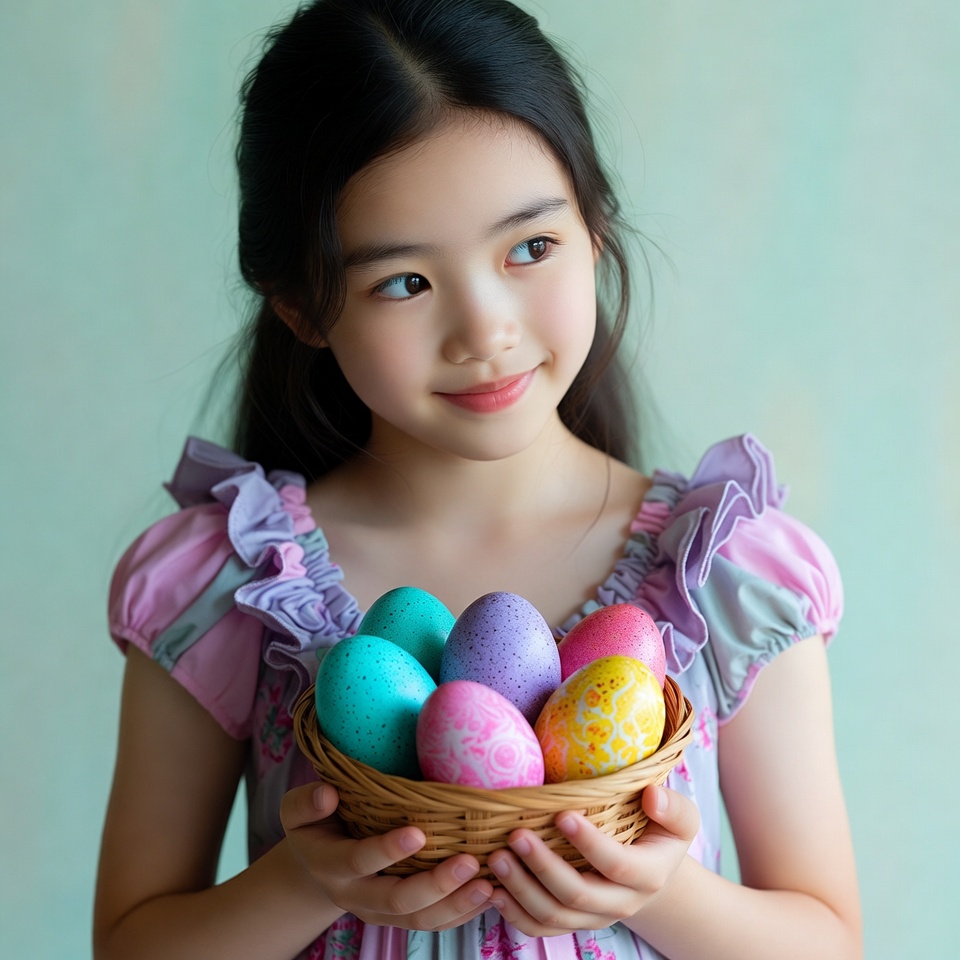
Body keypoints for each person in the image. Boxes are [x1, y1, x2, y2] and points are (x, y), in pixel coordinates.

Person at [93, 1, 862, 957]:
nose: (485, 330)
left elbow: (828, 937)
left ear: (595, 231)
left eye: (530, 247)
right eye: (404, 282)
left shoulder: (725, 575)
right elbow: (132, 942)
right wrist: (304, 882)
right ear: (301, 306)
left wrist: (658, 892)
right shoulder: (229, 587)